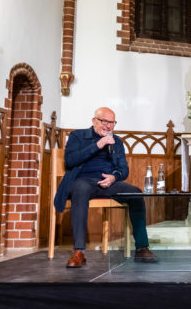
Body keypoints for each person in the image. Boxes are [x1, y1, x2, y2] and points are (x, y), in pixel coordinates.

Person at [53, 107, 157, 268]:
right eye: (104, 121)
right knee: (80, 189)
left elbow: (124, 169)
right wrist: (99, 144)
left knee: (135, 193)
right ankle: (79, 252)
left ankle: (142, 247)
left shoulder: (117, 142)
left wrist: (113, 177)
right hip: (82, 180)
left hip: (107, 183)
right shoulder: (77, 136)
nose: (108, 125)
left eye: (112, 122)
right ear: (94, 121)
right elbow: (71, 160)